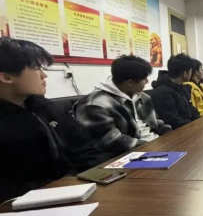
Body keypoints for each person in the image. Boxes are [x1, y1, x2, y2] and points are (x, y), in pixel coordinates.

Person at [0, 38, 101, 203]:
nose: (44, 75)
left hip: (78, 190)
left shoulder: (47, 108)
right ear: (6, 77)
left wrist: (88, 177)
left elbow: (85, 149)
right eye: (36, 68)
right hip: (27, 205)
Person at [75, 55, 171, 158]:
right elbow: (110, 141)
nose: (147, 81)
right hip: (127, 154)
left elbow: (155, 122)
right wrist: (152, 146)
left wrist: (169, 135)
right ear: (130, 82)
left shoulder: (142, 97)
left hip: (155, 145)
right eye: (144, 79)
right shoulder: (94, 104)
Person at [150, 54, 201, 129]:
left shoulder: (182, 87)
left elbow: (192, 110)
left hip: (189, 127)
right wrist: (193, 126)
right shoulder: (163, 93)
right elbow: (172, 120)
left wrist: (200, 121)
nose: (191, 74)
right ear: (184, 74)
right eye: (190, 71)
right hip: (177, 132)